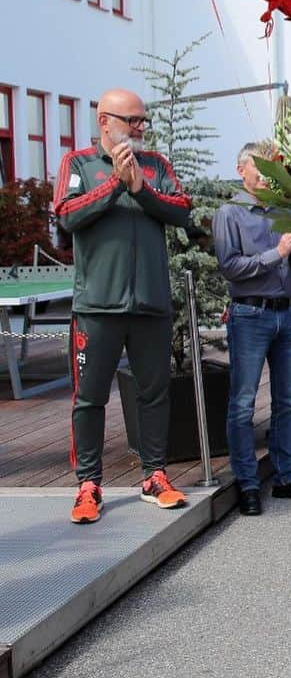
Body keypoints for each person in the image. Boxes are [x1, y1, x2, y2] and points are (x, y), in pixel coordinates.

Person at [57, 88, 192, 525]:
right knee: (89, 399)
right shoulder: (78, 164)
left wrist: (140, 187)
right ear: (104, 122)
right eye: (131, 120)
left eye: (142, 121)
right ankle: (88, 485)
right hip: (97, 308)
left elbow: (181, 210)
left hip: (151, 305)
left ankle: (154, 476)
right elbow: (68, 214)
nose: (139, 128)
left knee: (154, 395)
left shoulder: (155, 166)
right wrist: (117, 184)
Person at [213, 141, 291, 515]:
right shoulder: (229, 212)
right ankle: (249, 484)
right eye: (262, 166)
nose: (269, 173)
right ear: (242, 170)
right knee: (243, 402)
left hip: (289, 314)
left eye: (272, 166)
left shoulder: (283, 210)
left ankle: (286, 477)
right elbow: (231, 267)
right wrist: (279, 252)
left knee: (287, 401)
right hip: (251, 315)